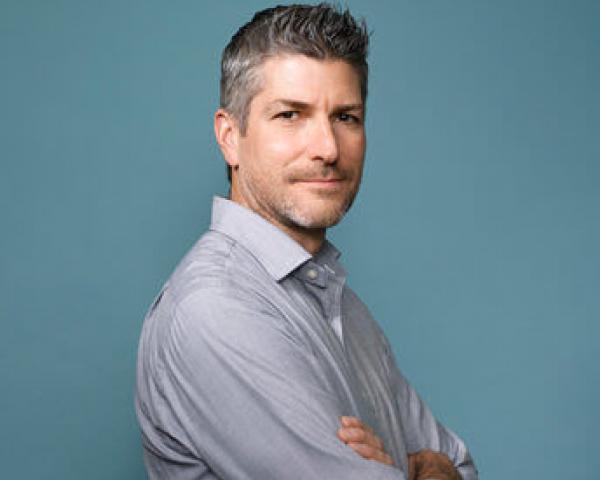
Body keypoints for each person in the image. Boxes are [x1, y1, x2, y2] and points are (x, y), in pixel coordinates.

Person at [135, 4, 478, 479]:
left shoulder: (342, 306)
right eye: (291, 115)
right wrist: (413, 468)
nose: (328, 148)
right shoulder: (216, 308)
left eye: (346, 117)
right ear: (230, 137)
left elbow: (459, 464)